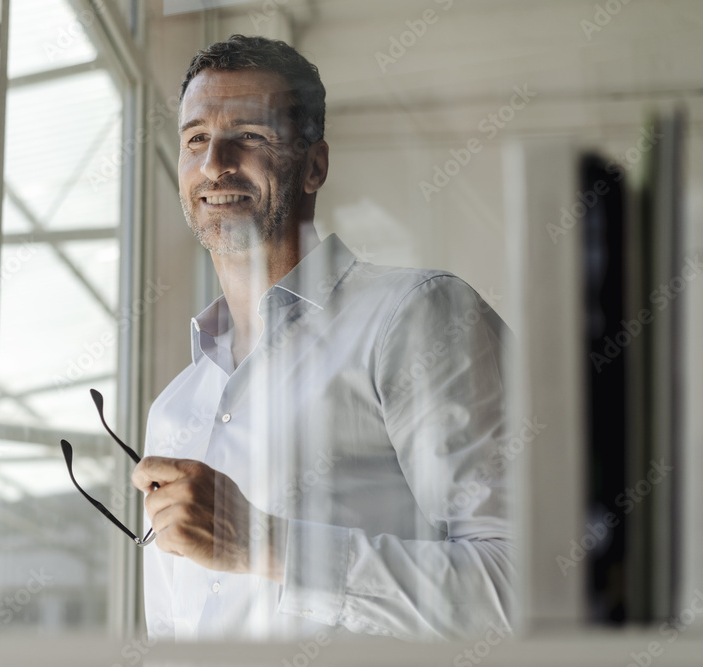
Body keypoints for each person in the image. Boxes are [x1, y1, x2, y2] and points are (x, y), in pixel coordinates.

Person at [131, 34, 514, 642]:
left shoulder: (417, 317)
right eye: (196, 138)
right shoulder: (175, 409)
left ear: (314, 165)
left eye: (250, 136)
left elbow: (518, 590)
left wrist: (264, 544)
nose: (214, 164)